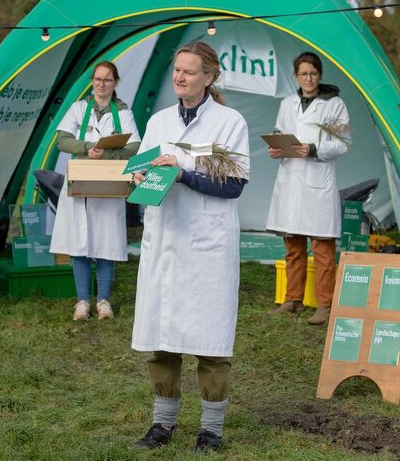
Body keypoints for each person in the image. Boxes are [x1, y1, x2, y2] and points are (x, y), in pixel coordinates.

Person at [131, 41, 250, 453]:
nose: (179, 77)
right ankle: (162, 424)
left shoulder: (229, 122)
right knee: (161, 336)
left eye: (189, 71)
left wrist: (182, 173)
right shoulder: (160, 121)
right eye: (177, 70)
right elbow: (148, 172)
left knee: (210, 341)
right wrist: (139, 178)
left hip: (207, 245)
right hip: (165, 241)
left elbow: (234, 185)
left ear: (209, 77)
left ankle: (211, 430)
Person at [49, 61, 141, 321]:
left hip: (109, 181)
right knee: (78, 242)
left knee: (107, 241)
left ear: (116, 83)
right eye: (98, 79)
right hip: (80, 181)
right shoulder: (79, 108)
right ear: (92, 81)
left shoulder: (123, 113)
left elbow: (135, 145)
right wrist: (87, 147)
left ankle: (103, 301)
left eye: (108, 80)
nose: (102, 84)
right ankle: (81, 301)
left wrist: (109, 151)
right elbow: (62, 140)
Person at [266, 51, 351, 325]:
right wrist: (277, 149)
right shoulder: (286, 103)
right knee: (292, 245)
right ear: (296, 76)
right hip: (290, 179)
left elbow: (343, 143)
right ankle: (293, 300)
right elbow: (280, 132)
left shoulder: (334, 104)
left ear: (320, 75)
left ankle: (324, 304)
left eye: (313, 73)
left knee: (323, 247)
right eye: (303, 74)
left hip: (318, 180)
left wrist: (313, 149)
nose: (309, 78)